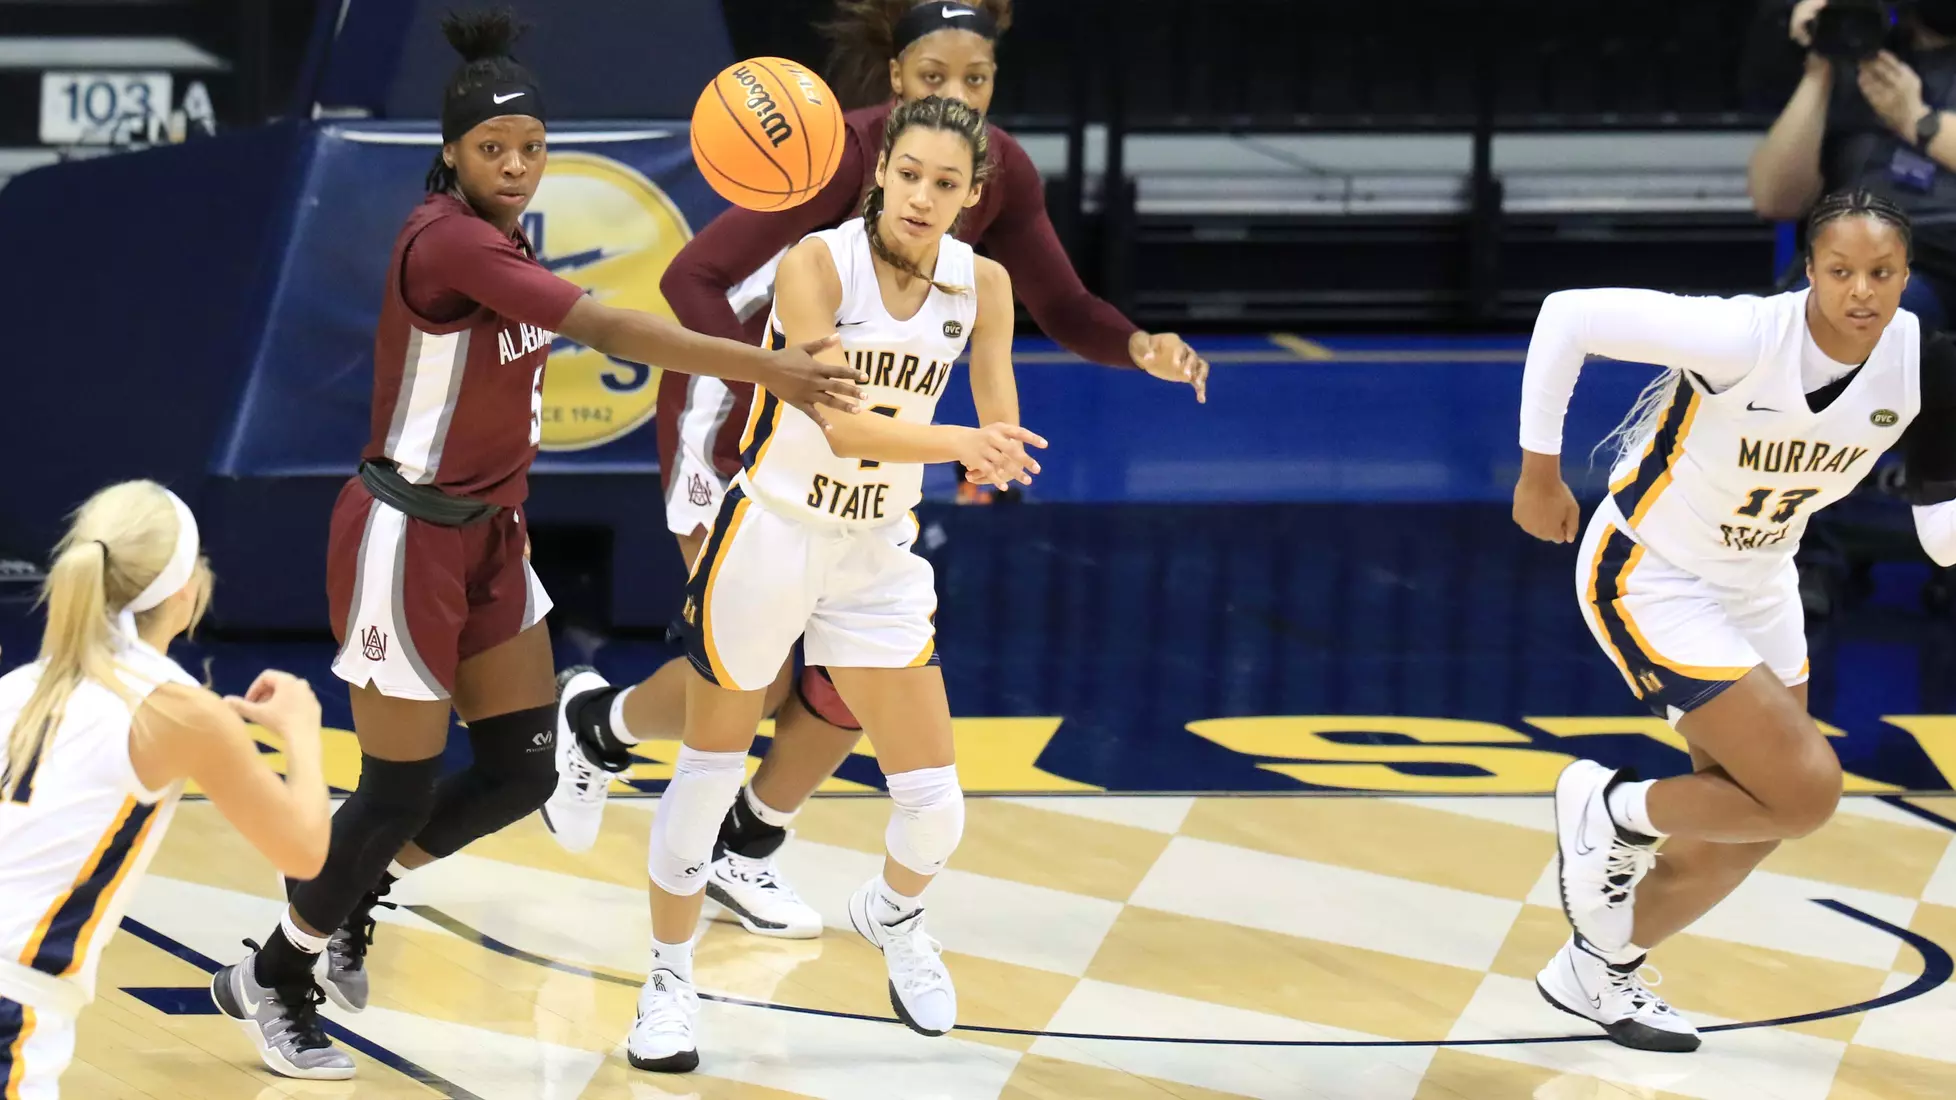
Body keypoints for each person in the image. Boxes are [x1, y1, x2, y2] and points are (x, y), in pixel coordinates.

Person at [205, 10, 863, 1082]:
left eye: (531, 150)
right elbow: (607, 328)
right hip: (405, 536)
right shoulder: (447, 238)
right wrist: (767, 366)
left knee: (520, 765)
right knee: (396, 789)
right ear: (452, 153)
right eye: (492, 150)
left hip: (492, 538)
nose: (514, 167)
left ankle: (352, 898)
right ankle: (277, 971)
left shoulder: (501, 228)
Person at [544, 0, 1205, 947]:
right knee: (755, 673)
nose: (956, 97)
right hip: (739, 413)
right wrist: (767, 381)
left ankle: (751, 845)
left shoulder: (993, 173)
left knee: (858, 677)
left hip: (868, 443)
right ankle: (600, 729)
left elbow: (1056, 300)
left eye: (975, 82)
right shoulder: (832, 155)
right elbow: (692, 279)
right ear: (896, 80)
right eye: (935, 78)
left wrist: (1141, 345)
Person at [624, 95, 1043, 1073]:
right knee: (709, 767)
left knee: (937, 806)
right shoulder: (816, 263)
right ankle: (667, 981)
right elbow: (843, 420)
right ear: (880, 171)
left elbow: (996, 415)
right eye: (909, 175)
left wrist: (994, 460)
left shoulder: (983, 284)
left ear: (973, 195)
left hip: (875, 550)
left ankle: (894, 911)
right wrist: (961, 445)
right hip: (772, 530)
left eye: (947, 184)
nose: (923, 196)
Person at [1511, 189, 1956, 1052]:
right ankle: (1613, 807)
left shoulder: (1924, 368)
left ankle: (1596, 969)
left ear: (1906, 276)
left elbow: (1941, 538)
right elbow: (1567, 317)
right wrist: (1539, 471)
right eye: (1841, 271)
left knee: (1759, 816)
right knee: (1806, 790)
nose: (1861, 291)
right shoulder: (1745, 337)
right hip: (1652, 571)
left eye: (1882, 273)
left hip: (1761, 583)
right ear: (1811, 273)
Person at [0, 480, 333, 1094]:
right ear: (186, 590)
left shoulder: (20, 684)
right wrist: (302, 732)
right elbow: (305, 852)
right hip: (11, 1010)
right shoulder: (176, 711)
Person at [1746, 0, 1956, 329]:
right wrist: (1820, 64)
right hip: (1847, 252)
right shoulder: (1863, 50)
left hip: (1938, 261)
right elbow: (1774, 200)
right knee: (1773, 330)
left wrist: (1918, 120)